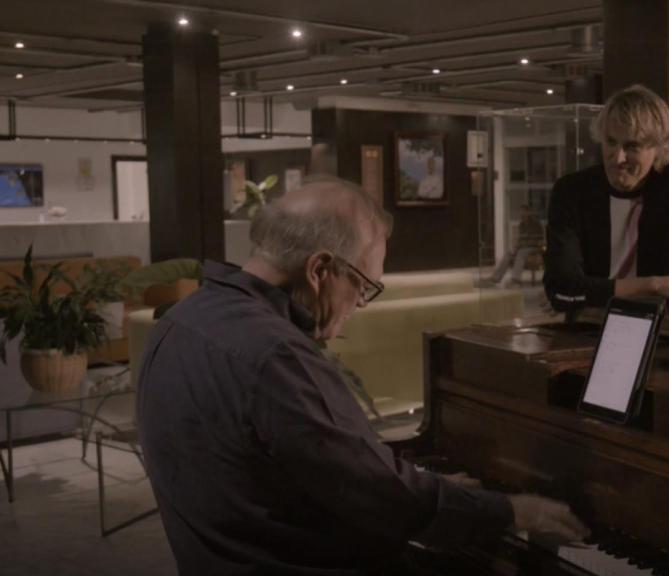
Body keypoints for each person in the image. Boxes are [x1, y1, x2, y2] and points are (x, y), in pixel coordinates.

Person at [136, 178, 587, 575]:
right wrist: (512, 511)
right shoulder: (277, 356)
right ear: (319, 270)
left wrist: (415, 482)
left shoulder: (180, 321)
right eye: (364, 286)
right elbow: (386, 500)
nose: (360, 305)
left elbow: (310, 469)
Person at [544, 84, 669, 312]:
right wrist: (654, 284)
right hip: (590, 323)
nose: (618, 158)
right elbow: (562, 291)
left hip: (656, 322)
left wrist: (591, 292)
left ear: (660, 147)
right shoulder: (572, 190)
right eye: (611, 142)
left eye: (632, 146)